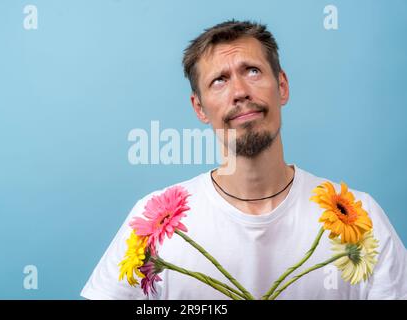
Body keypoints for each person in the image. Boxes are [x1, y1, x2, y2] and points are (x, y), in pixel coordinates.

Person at [81, 20, 407, 299]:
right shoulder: (150, 223)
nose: (239, 91)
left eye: (252, 71)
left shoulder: (361, 218)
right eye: (219, 80)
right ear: (199, 108)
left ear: (282, 86)